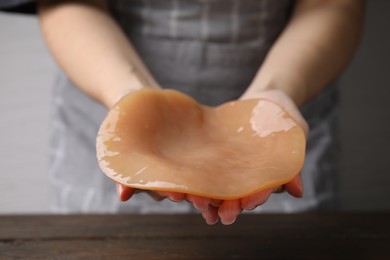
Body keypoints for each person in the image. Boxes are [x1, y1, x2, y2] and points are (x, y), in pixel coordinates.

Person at [1, 0, 366, 225]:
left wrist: (277, 90)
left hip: (285, 108)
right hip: (109, 107)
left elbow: (332, 4)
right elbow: (71, 3)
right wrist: (132, 99)